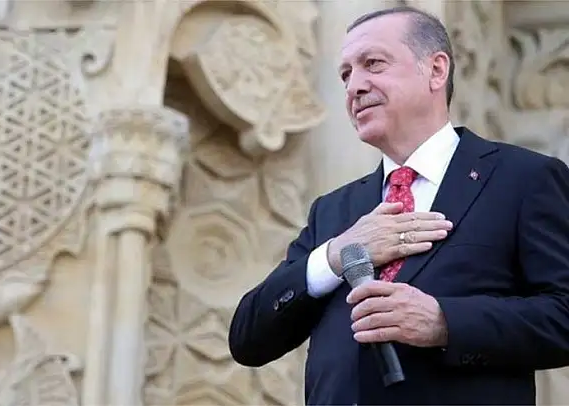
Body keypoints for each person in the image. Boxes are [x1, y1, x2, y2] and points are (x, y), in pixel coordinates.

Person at [228, 5, 569, 405]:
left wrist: (444, 321)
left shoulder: (522, 179)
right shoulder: (334, 210)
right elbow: (248, 338)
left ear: (436, 70)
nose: (354, 87)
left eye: (373, 63)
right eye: (345, 74)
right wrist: (336, 255)